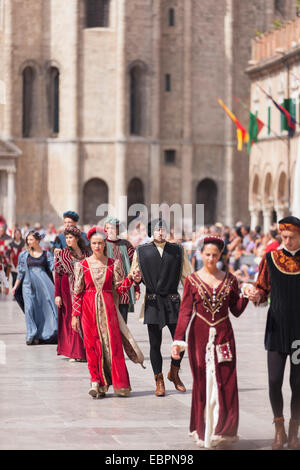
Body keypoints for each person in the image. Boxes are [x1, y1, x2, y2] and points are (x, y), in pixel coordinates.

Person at [171, 236, 249, 449]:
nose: (211, 258)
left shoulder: (230, 280)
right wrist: (178, 340)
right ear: (200, 255)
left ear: (220, 256)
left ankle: (223, 430)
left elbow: (237, 310)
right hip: (200, 335)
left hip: (224, 335)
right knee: (202, 381)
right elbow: (185, 312)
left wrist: (247, 296)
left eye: (215, 255)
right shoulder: (192, 280)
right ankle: (203, 429)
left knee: (226, 380)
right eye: (207, 254)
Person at [71, 226, 144, 399]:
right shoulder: (82, 265)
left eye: (100, 243)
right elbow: (77, 292)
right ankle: (96, 383)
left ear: (105, 244)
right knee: (92, 346)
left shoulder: (113, 264)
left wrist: (131, 279)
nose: (97, 246)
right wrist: (75, 315)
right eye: (94, 243)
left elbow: (119, 290)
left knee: (114, 346)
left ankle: (120, 384)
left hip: (108, 308)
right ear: (90, 244)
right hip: (88, 309)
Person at [247, 216, 300, 450]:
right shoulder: (270, 258)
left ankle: (294, 432)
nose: (287, 241)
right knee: (274, 380)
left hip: (299, 332)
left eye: (292, 237)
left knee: (298, 383)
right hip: (276, 328)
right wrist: (255, 295)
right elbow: (262, 290)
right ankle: (279, 428)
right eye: (284, 237)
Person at [130, 218, 192, 397]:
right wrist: (135, 278)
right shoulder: (141, 251)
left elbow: (186, 277)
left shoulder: (178, 251)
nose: (161, 232)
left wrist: (193, 298)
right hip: (153, 300)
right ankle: (159, 379)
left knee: (180, 341)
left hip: (173, 300)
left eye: (164, 229)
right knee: (154, 343)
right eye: (157, 230)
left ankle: (174, 372)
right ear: (151, 232)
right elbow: (135, 273)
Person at [12, 231, 58, 345]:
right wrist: (15, 287)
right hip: (28, 285)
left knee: (44, 310)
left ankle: (42, 335)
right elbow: (21, 272)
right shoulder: (23, 255)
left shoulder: (46, 254)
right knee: (29, 308)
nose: (29, 242)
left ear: (37, 240)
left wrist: (57, 257)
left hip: (44, 286)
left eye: (31, 239)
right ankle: (31, 334)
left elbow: (53, 267)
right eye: (27, 240)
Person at [54, 226, 90, 362]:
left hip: (84, 289)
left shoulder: (86, 253)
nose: (68, 240)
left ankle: (85, 350)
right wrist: (57, 295)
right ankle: (74, 352)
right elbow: (57, 275)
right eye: (66, 238)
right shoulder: (62, 254)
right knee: (71, 319)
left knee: (83, 318)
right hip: (67, 290)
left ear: (76, 238)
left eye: (70, 237)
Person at [104, 216, 140, 324]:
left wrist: (137, 288)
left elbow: (134, 266)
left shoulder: (126, 244)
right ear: (105, 229)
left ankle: (122, 341)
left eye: (113, 228)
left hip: (124, 286)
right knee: (108, 320)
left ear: (117, 229)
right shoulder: (101, 244)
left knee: (123, 321)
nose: (111, 230)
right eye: (109, 228)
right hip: (107, 286)